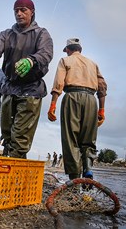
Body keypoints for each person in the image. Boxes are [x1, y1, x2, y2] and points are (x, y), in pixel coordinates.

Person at [0, 0, 53, 158]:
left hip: (31, 90)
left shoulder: (41, 33)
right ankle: (7, 167)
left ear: (32, 12)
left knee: (20, 137)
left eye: (23, 10)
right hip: (10, 87)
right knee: (7, 133)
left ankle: (15, 173)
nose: (19, 14)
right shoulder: (7, 34)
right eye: (16, 11)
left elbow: (46, 53)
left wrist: (32, 60)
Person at [47, 37, 107, 180]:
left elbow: (58, 83)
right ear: (79, 49)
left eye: (66, 50)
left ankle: (75, 179)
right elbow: (103, 88)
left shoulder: (65, 61)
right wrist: (101, 110)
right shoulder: (93, 64)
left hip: (72, 97)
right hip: (91, 99)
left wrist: (53, 105)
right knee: (88, 139)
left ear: (68, 49)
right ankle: (88, 168)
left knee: (70, 139)